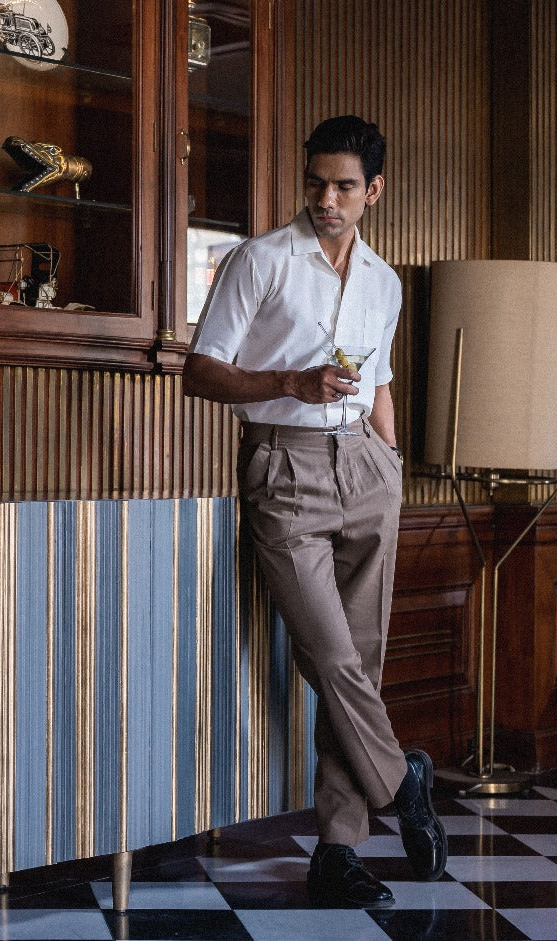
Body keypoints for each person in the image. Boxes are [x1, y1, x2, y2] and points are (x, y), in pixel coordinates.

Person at [182, 116, 446, 908]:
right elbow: (200, 371)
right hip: (284, 466)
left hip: (366, 468)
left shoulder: (383, 281)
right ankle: (403, 784)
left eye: (342, 186)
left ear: (374, 191)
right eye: (314, 183)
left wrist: (392, 463)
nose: (325, 200)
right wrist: (287, 385)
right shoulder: (259, 261)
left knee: (358, 663)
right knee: (328, 656)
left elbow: (381, 382)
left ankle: (338, 851)